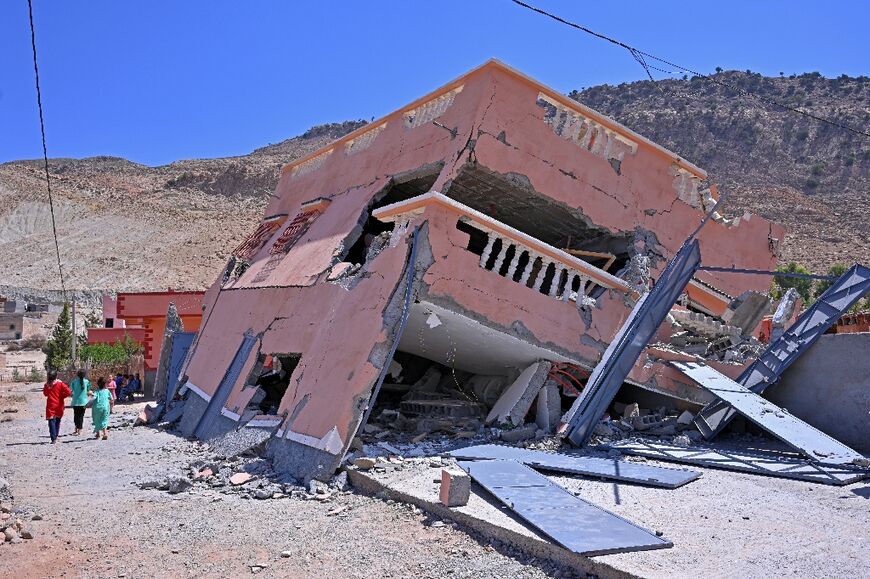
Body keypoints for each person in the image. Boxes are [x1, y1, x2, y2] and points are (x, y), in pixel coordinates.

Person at [43, 371, 71, 445]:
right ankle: (56, 435)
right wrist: (62, 396)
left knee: (51, 421)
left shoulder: (47, 385)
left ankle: (53, 438)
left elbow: (45, 394)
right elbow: (68, 392)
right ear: (56, 376)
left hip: (50, 405)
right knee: (57, 421)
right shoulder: (60, 384)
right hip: (59, 405)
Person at [69, 369, 91, 436]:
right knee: (81, 416)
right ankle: (80, 429)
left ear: (77, 374)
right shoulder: (87, 382)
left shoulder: (74, 382)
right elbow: (88, 391)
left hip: (75, 402)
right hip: (84, 402)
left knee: (76, 415)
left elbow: (71, 391)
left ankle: (76, 429)